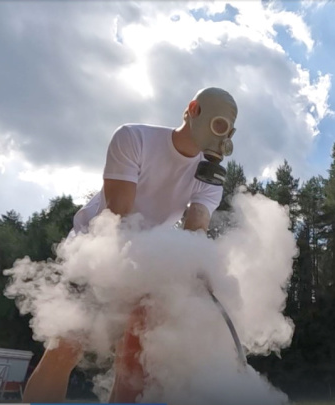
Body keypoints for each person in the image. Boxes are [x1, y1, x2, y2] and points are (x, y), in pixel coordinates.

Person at [21, 87, 238, 403]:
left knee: (136, 363)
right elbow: (117, 216)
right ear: (193, 109)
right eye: (219, 125)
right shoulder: (133, 139)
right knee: (67, 349)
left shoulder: (208, 178)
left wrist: (196, 266)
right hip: (98, 251)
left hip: (150, 262)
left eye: (228, 131)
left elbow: (196, 228)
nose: (222, 137)